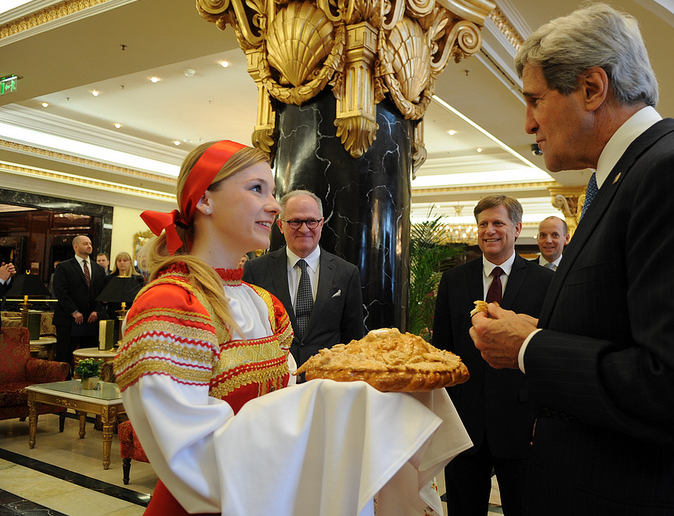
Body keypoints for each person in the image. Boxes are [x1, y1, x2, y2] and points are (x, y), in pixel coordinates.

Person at [469, 3, 674, 515]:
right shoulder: (623, 179)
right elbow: (624, 331)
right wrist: (539, 331)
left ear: (592, 89)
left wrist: (530, 348)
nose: (529, 122)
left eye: (535, 99)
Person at [115, 141, 466, 515]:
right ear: (204, 200)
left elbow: (284, 393)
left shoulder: (262, 304)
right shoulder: (172, 306)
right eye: (256, 189)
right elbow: (193, 461)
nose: (274, 206)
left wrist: (367, 399)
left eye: (273, 192)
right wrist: (331, 403)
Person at [432, 195, 553, 516]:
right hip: (464, 424)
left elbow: (548, 354)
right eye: (483, 224)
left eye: (498, 223)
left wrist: (544, 416)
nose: (489, 230)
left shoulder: (546, 282)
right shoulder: (454, 280)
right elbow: (443, 352)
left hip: (521, 421)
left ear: (517, 228)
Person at [243, 189, 365, 374]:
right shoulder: (255, 271)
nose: (304, 229)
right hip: (275, 381)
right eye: (295, 222)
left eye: (311, 221)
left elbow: (354, 340)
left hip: (328, 381)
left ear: (321, 223)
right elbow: (249, 336)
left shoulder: (346, 273)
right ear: (281, 225)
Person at [52, 236, 108, 364]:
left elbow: (102, 293)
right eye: (85, 244)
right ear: (76, 247)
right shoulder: (63, 267)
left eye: (90, 243)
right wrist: (74, 311)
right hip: (68, 320)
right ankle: (62, 383)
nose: (89, 246)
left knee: (89, 357)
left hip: (91, 319)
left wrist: (97, 311)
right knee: (64, 356)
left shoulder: (98, 269)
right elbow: (61, 292)